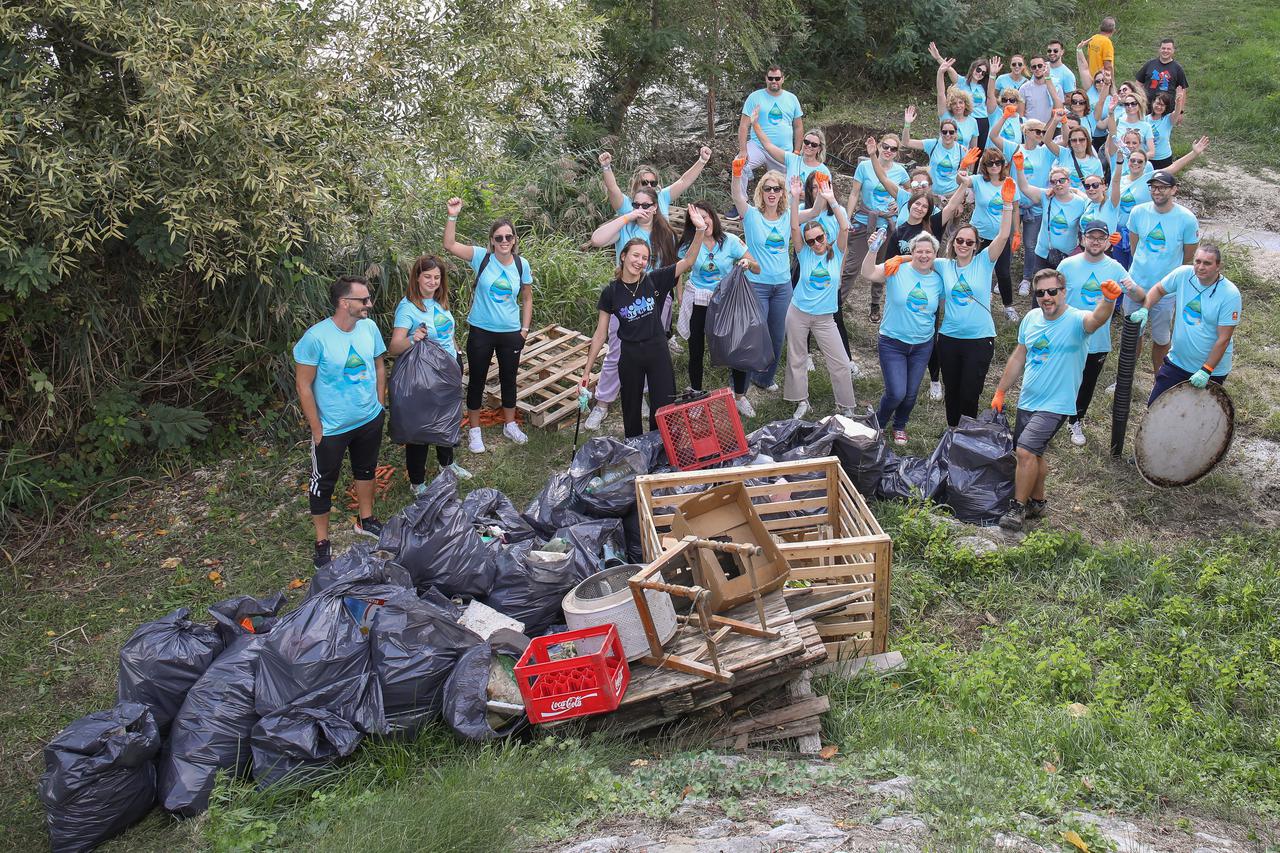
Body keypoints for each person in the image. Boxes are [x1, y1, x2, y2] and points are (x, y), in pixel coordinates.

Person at [991, 268, 1123, 531]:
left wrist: (1108, 301)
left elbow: (1096, 320)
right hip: (1028, 400)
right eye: (1040, 293)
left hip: (1057, 404)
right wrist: (1001, 390)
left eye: (1052, 291)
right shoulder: (1030, 318)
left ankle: (1017, 509)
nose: (1046, 297)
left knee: (1025, 450)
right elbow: (1019, 356)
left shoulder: (1076, 320)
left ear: (1063, 292)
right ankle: (1038, 502)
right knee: (1032, 454)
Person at [579, 209, 710, 438]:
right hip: (629, 356)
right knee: (630, 410)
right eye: (635, 255)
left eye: (644, 258)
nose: (640, 262)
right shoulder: (611, 293)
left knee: (663, 407)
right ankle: (636, 449)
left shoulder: (654, 280)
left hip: (657, 351)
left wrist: (699, 230)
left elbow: (688, 261)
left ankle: (660, 449)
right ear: (623, 256)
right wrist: (587, 371)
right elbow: (601, 335)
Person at [293, 275, 387, 568]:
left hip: (369, 418)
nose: (369, 304)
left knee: (366, 470)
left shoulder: (369, 328)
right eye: (364, 300)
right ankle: (322, 541)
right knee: (323, 482)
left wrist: (380, 403)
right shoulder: (316, 338)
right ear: (345, 303)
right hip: (332, 428)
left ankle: (366, 519)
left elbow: (378, 364)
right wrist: (316, 428)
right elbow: (303, 385)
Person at [441, 199, 533, 453]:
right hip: (481, 330)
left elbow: (527, 297)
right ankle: (474, 430)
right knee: (477, 380)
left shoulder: (520, 264)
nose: (504, 241)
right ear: (491, 240)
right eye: (498, 237)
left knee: (509, 379)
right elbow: (449, 245)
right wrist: (452, 216)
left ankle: (510, 424)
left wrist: (524, 329)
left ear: (514, 239)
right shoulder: (481, 257)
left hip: (511, 333)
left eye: (508, 237)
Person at [583, 188, 678, 430]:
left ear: (655, 207)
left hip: (656, 299)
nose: (641, 209)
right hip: (625, 300)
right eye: (636, 204)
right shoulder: (626, 228)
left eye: (646, 205)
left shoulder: (664, 233)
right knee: (617, 353)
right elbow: (597, 239)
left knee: (652, 353)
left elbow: (674, 268)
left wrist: (671, 298)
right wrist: (628, 216)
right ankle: (602, 403)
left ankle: (644, 396)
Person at [934, 180, 1016, 426]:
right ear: (953, 242)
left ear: (976, 246)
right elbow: (920, 257)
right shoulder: (943, 266)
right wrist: (899, 258)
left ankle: (967, 436)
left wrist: (1008, 205)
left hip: (979, 339)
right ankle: (952, 431)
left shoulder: (984, 262)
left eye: (969, 242)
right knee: (952, 390)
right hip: (949, 337)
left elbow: (1002, 235)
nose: (964, 245)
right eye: (960, 241)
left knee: (970, 392)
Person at [388, 255, 470, 492]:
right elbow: (394, 347)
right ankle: (418, 482)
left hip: (448, 368)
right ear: (416, 277)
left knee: (447, 418)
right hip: (424, 376)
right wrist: (413, 338)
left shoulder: (439, 301)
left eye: (437, 277)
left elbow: (447, 331)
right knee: (421, 426)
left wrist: (455, 349)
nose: (433, 282)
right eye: (427, 277)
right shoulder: (407, 308)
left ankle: (448, 464)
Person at [1057, 221, 1143, 446]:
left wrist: (1132, 288)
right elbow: (1053, 296)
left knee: (1087, 382)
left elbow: (1140, 296)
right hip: (1069, 334)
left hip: (1098, 340)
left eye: (1100, 238)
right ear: (1083, 239)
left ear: (1107, 242)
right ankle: (1053, 416)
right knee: (1064, 377)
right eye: (1091, 237)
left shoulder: (1115, 268)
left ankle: (1076, 420)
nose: (1095, 241)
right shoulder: (1067, 265)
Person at [676, 202, 760, 415]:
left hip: (726, 302)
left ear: (714, 216)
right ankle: (696, 393)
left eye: (707, 216)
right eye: (699, 219)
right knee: (696, 350)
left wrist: (746, 264)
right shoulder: (689, 243)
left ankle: (739, 396)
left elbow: (757, 267)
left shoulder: (730, 241)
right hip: (698, 301)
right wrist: (679, 295)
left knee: (736, 346)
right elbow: (678, 270)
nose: (705, 222)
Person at [861, 232, 944, 445]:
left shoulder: (938, 280)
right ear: (911, 252)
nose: (924, 255)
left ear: (935, 254)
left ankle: (900, 425)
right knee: (897, 392)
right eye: (919, 251)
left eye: (929, 252)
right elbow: (868, 272)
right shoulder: (896, 269)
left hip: (922, 344)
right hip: (892, 342)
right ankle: (878, 423)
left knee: (910, 394)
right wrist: (872, 250)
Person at [785, 175, 857, 420]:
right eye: (811, 240)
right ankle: (801, 402)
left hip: (826, 318)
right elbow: (794, 226)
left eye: (819, 238)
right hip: (798, 313)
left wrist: (832, 200)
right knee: (797, 359)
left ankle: (846, 405)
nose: (816, 243)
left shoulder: (837, 251)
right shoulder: (804, 254)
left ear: (826, 236)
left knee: (840, 362)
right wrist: (795, 198)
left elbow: (845, 226)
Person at [1133, 244, 1241, 404]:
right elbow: (1159, 289)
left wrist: (1206, 370)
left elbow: (1224, 338)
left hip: (1210, 370)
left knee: (1196, 417)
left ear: (1219, 266)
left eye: (1207, 263)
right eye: (1197, 261)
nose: (1200, 267)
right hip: (1177, 361)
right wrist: (1145, 309)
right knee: (1156, 407)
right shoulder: (1183, 274)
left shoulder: (1230, 294)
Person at [1123, 169, 1200, 373]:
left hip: (1166, 292)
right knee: (1132, 335)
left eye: (1163, 188)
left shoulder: (1186, 219)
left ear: (1174, 190)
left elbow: (1187, 256)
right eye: (1154, 187)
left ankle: (1160, 380)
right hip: (1135, 284)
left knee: (1161, 338)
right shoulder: (1138, 212)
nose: (1157, 192)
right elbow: (1134, 245)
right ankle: (1126, 378)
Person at [732, 168, 792, 393]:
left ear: (782, 192)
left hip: (783, 286)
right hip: (757, 284)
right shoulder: (751, 215)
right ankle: (740, 386)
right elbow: (737, 195)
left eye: (777, 188)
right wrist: (736, 173)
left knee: (777, 336)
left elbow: (815, 210)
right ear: (761, 191)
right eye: (767, 188)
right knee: (752, 336)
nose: (772, 192)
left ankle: (764, 378)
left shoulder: (787, 216)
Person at [840, 133, 908, 324]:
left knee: (882, 265)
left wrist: (898, 203)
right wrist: (847, 217)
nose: (888, 151)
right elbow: (854, 193)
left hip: (887, 225)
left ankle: (875, 304)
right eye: (885, 146)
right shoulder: (864, 166)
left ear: (897, 153)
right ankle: (837, 304)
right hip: (863, 221)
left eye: (893, 149)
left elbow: (909, 194)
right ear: (878, 146)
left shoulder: (901, 172)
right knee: (851, 266)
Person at [1114, 136, 1209, 267]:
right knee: (1119, 270)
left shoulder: (1150, 178)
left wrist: (1194, 153)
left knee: (1136, 264)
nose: (1135, 163)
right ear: (1128, 162)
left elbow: (1174, 167)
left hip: (1140, 230)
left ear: (1145, 164)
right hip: (1119, 231)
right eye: (1133, 160)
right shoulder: (1120, 180)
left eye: (1140, 161)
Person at [961, 147, 1023, 320]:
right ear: (985, 166)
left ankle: (1008, 306)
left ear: (1003, 164)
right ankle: (973, 299)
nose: (995, 166)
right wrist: (963, 166)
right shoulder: (979, 181)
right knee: (975, 269)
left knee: (1003, 271)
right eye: (990, 163)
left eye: (998, 162)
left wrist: (1017, 232)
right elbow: (962, 181)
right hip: (978, 235)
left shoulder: (1010, 182)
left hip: (1000, 237)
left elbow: (1016, 209)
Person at [734, 65, 804, 211]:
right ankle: (740, 204)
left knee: (784, 185)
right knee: (739, 164)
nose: (774, 81)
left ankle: (779, 210)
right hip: (758, 146)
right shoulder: (755, 97)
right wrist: (742, 150)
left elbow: (798, 127)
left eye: (777, 78)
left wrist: (797, 151)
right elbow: (743, 126)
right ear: (766, 79)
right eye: (770, 78)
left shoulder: (792, 99)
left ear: (783, 79)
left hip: (782, 152)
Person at [1015, 162, 1089, 282]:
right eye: (1054, 182)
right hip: (1043, 254)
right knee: (1041, 291)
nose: (1058, 184)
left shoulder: (1080, 203)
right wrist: (1019, 168)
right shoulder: (1046, 197)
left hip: (1068, 257)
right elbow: (1024, 187)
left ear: (1069, 181)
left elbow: (1093, 203)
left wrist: (1075, 190)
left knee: (1063, 291)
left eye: (1061, 180)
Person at [599, 147, 712, 219]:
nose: (649, 186)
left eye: (653, 183)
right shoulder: (625, 204)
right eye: (644, 182)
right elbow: (612, 188)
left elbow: (684, 181)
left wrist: (702, 160)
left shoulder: (662, 197)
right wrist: (606, 167)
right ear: (636, 184)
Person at [748, 117, 833, 187]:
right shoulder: (792, 159)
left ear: (819, 149)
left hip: (809, 207)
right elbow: (768, 146)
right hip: (788, 206)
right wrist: (755, 124)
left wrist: (807, 195)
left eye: (814, 144)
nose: (809, 146)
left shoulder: (823, 171)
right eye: (806, 142)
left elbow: (826, 195)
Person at [902, 106, 965, 197]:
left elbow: (965, 174)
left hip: (952, 194)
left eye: (951, 132)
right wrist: (907, 124)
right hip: (931, 193)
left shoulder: (961, 150)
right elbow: (906, 142)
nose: (948, 135)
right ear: (940, 133)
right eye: (944, 132)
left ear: (955, 134)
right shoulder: (933, 144)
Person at [929, 53, 981, 148]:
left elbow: (973, 149)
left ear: (966, 104)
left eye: (961, 102)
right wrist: (940, 73)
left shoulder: (973, 122)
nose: (958, 106)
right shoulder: (945, 115)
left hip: (963, 160)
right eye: (954, 103)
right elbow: (940, 93)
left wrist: (970, 162)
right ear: (949, 105)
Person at [1045, 114, 1105, 189]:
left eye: (1081, 139)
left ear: (1088, 141)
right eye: (1074, 140)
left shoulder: (1095, 162)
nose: (1078, 143)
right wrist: (1055, 121)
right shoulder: (1064, 153)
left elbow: (1099, 185)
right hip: (1062, 196)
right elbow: (1047, 141)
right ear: (1070, 142)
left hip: (1083, 199)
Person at [1136, 39, 1189, 111]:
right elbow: (1138, 83)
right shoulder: (1149, 64)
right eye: (1163, 48)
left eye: (1169, 49)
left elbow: (1183, 90)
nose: (1165, 51)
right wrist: (1139, 100)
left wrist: (1180, 111)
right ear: (1159, 49)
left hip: (1167, 110)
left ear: (1173, 50)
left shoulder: (1177, 68)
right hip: (1147, 108)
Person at [1101, 89, 1155, 160]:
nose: (1130, 106)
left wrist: (1136, 158)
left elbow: (1152, 152)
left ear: (1139, 105)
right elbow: (1107, 146)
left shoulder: (1146, 126)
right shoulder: (1118, 121)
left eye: (1133, 103)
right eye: (1126, 104)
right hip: (1118, 163)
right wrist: (1112, 163)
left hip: (1137, 165)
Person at [1019, 55, 1063, 124]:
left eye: (1039, 66)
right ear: (1031, 69)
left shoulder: (1056, 86)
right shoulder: (1024, 88)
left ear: (1045, 66)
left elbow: (1060, 109)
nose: (1037, 69)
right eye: (1034, 67)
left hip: (1051, 128)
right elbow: (1020, 114)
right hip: (1031, 130)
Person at [1147, 91, 1183, 169]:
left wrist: (1178, 102)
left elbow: (1177, 112)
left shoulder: (1168, 119)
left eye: (1162, 105)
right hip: (1147, 159)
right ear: (1153, 102)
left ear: (1166, 107)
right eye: (1157, 103)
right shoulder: (1144, 119)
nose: (1159, 107)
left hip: (1164, 159)